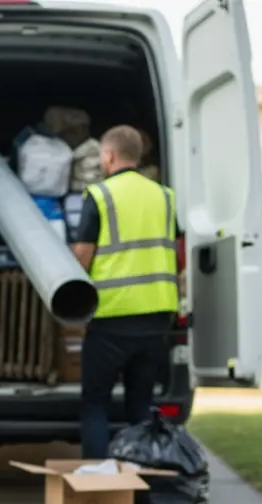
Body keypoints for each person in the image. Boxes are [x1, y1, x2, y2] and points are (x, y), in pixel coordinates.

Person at [69, 125, 180, 459]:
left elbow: (82, 258)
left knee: (95, 403)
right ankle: (142, 488)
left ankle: (98, 487)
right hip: (158, 317)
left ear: (109, 155)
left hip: (113, 316)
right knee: (141, 406)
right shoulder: (165, 196)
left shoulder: (99, 196)